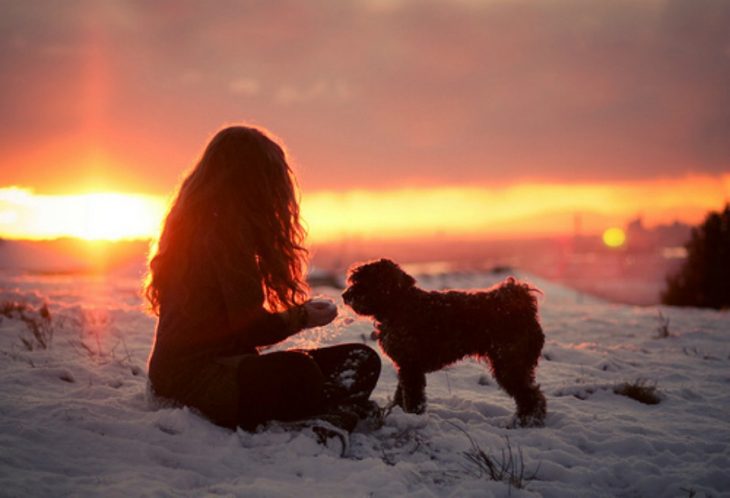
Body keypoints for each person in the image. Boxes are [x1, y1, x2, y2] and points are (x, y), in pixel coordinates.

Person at [144, 125, 381, 431]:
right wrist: (303, 316)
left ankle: (327, 408)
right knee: (300, 373)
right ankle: (332, 412)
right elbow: (252, 328)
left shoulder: (194, 229)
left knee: (360, 359)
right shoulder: (224, 237)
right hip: (196, 383)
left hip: (188, 376)